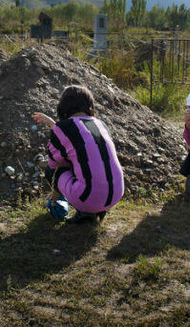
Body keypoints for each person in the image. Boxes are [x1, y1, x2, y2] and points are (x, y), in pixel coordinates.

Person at [32, 85, 124, 224]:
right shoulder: (101, 124)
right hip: (116, 194)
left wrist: (54, 128)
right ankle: (97, 209)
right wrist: (53, 124)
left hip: (89, 198)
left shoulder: (63, 127)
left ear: (63, 106)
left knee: (53, 171)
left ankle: (85, 211)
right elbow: (78, 138)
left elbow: (53, 163)